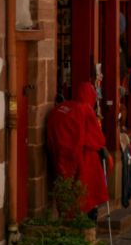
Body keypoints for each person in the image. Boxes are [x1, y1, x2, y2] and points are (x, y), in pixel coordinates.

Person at [47, 83, 113, 219]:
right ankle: (86, 223)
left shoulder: (62, 107)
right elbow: (98, 139)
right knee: (85, 195)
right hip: (82, 160)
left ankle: (68, 219)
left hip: (61, 157)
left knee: (67, 192)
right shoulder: (85, 109)